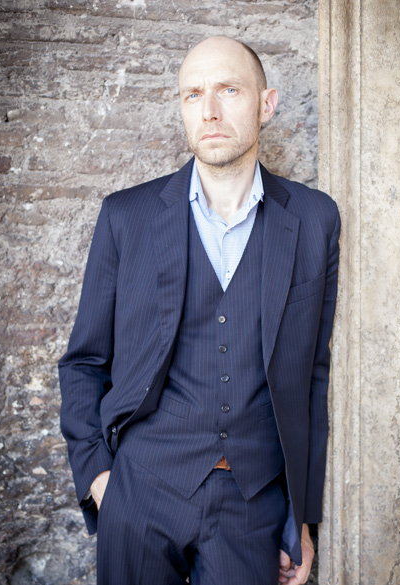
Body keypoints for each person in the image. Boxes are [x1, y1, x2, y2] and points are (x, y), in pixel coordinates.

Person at [58, 35, 340, 585]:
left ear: (266, 104)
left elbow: (312, 377)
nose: (209, 110)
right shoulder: (126, 217)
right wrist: (99, 479)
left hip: (253, 506)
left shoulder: (315, 219)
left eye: (228, 90)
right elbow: (84, 361)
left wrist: (302, 519)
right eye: (193, 94)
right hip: (140, 493)